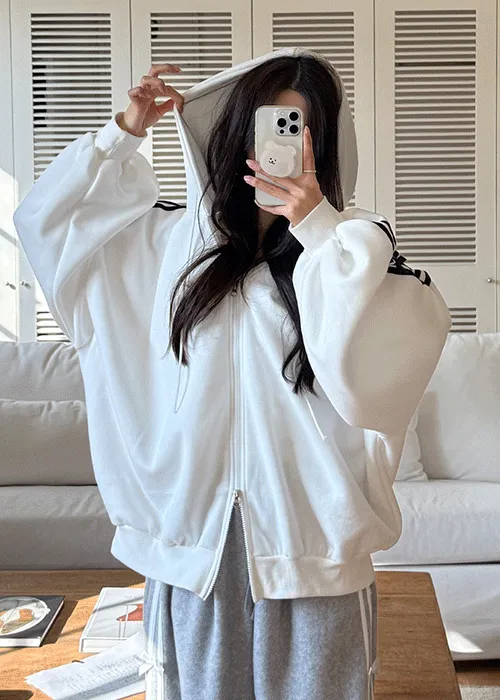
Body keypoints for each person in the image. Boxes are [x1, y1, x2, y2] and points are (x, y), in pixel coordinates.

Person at [13, 46, 452, 699]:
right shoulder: (165, 246)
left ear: (325, 147)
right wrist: (119, 136)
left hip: (315, 559)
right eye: (264, 127)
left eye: (298, 131)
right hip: (195, 557)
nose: (277, 149)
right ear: (233, 135)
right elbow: (47, 226)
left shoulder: (356, 249)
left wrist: (317, 228)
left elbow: (389, 376)